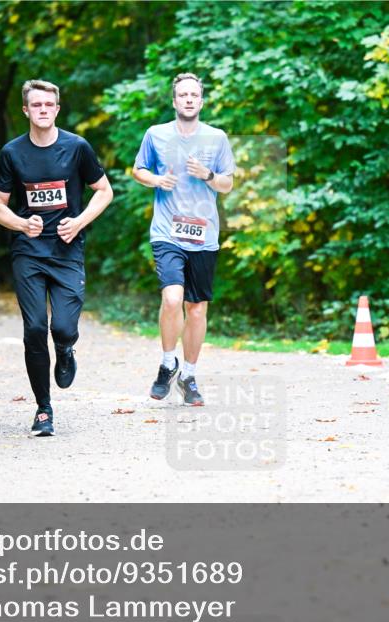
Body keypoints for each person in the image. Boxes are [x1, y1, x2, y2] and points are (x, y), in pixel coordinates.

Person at [0, 79, 113, 437]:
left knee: (63, 328)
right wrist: (19, 223)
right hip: (28, 251)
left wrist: (78, 222)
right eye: (36, 105)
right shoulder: (12, 153)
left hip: (66, 251)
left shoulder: (77, 148)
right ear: (26, 110)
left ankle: (66, 349)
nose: (43, 110)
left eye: (49, 105)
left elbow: (104, 192)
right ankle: (44, 409)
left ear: (57, 109)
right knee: (33, 329)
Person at [132, 72, 235, 406]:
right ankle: (167, 364)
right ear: (174, 101)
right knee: (173, 298)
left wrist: (207, 175)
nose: (189, 99)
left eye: (194, 95)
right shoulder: (156, 134)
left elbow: (227, 184)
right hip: (168, 232)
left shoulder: (216, 138)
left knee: (197, 307)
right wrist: (157, 180)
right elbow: (138, 171)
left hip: (204, 234)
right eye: (183, 95)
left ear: (201, 101)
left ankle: (188, 375)